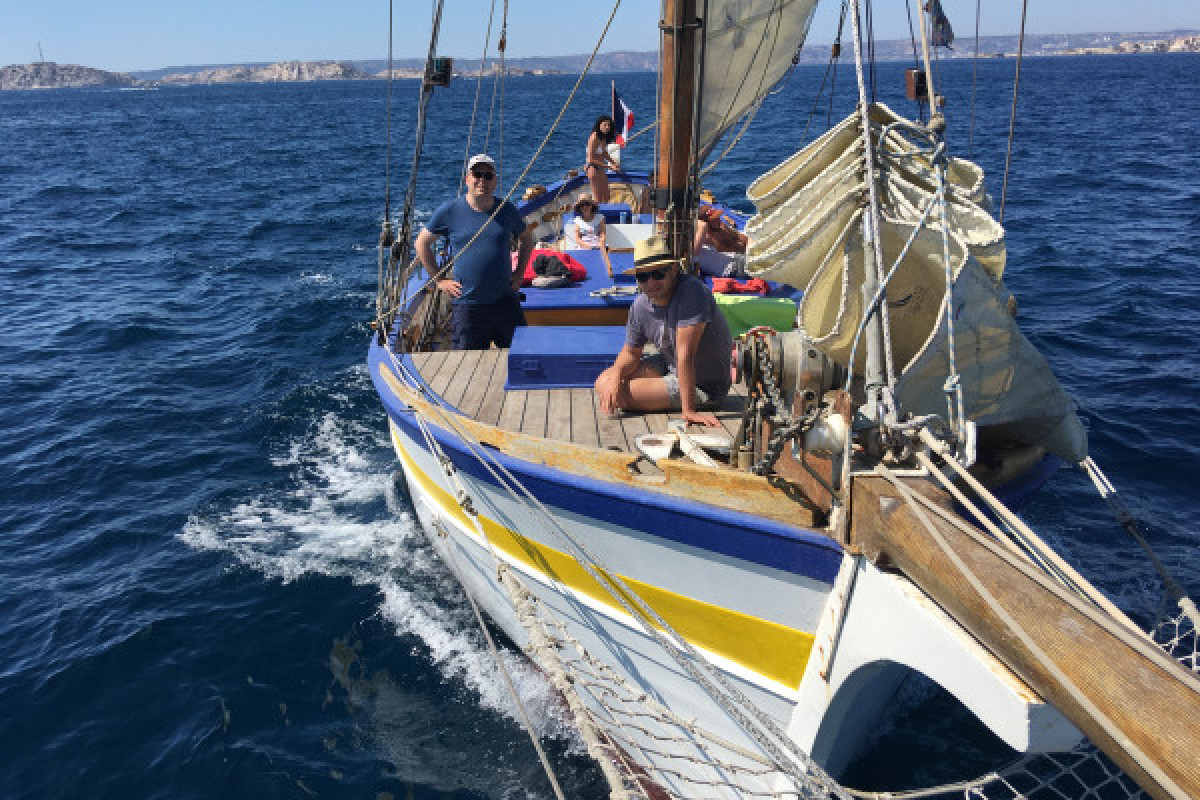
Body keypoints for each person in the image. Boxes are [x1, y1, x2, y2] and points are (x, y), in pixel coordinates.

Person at [594, 236, 733, 427]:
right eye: (643, 277)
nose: (651, 282)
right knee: (604, 381)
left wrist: (688, 411)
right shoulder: (640, 306)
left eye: (658, 274)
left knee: (621, 396)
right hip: (670, 363)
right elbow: (631, 352)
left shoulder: (692, 292)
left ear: (674, 270)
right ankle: (653, 387)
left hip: (704, 384)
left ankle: (679, 398)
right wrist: (617, 374)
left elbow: (686, 354)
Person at [416, 154, 534, 349]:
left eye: (488, 176)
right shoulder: (449, 211)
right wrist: (439, 280)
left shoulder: (506, 210)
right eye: (477, 174)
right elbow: (421, 244)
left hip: (505, 301)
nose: (482, 180)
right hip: (468, 306)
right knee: (468, 361)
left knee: (520, 355)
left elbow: (527, 239)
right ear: (467, 179)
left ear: (495, 181)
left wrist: (520, 272)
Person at [692, 205, 750, 277]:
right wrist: (702, 225)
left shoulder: (720, 228)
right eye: (715, 218)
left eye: (718, 217)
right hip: (733, 268)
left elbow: (741, 238)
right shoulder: (701, 240)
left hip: (739, 259)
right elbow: (693, 253)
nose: (719, 219)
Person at [585, 115, 619, 204]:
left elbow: (603, 153)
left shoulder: (603, 137)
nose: (607, 127)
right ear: (599, 125)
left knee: (606, 197)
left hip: (600, 169)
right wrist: (609, 167)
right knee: (598, 199)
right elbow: (590, 159)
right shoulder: (594, 137)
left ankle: (604, 212)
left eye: (609, 125)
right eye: (605, 125)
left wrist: (613, 162)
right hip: (593, 169)